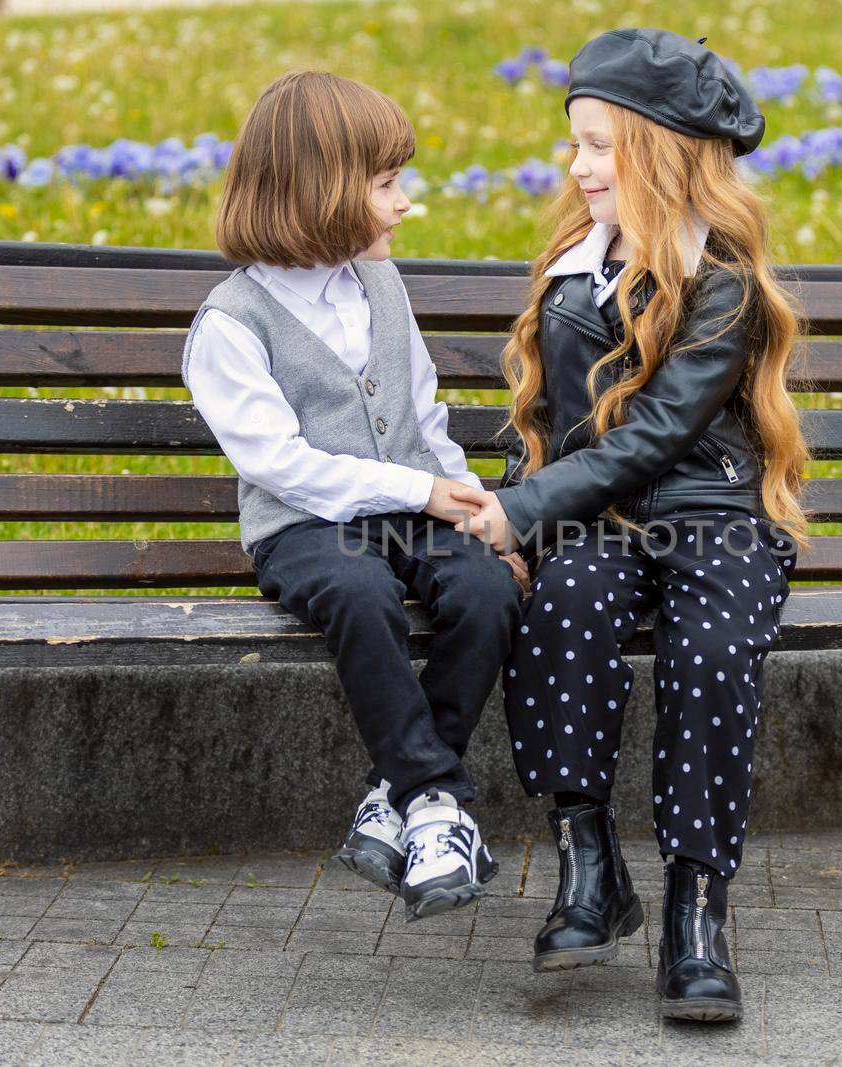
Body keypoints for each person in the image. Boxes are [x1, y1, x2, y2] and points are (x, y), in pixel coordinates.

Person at [452, 29, 809, 1021]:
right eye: (574, 143)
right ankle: (589, 864)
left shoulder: (719, 276)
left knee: (709, 646)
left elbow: (656, 431)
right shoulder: (575, 262)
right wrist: (511, 503)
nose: (577, 165)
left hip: (711, 514)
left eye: (600, 145)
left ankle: (697, 908)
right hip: (591, 518)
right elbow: (549, 420)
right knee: (561, 600)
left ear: (656, 150)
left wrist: (521, 507)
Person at [180, 69, 526, 921]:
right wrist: (421, 488)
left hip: (413, 509)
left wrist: (481, 511)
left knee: (485, 588)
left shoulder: (383, 286)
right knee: (359, 589)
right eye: (385, 183)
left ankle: (397, 796)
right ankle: (439, 797)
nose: (405, 202)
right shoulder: (231, 323)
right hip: (306, 527)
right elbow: (282, 464)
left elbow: (422, 414)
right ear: (317, 189)